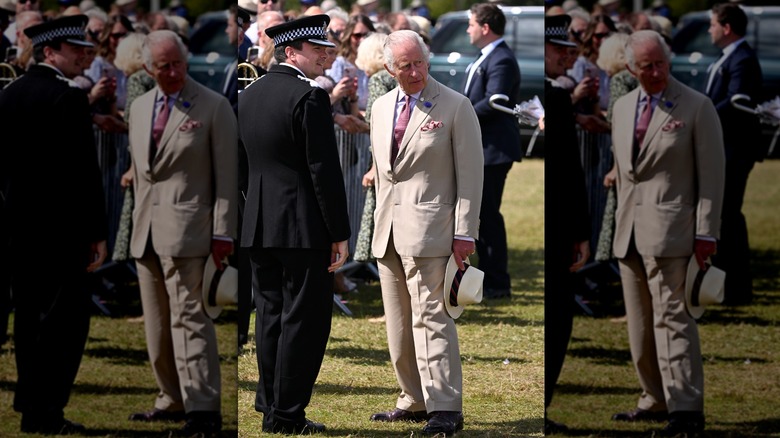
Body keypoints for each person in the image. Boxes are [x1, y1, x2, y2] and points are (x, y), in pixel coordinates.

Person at [237, 14, 351, 434]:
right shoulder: (310, 97)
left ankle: (271, 405)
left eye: (327, 48)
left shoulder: (249, 95)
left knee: (269, 317)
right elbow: (322, 170)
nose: (326, 54)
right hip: (302, 226)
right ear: (291, 52)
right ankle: (285, 415)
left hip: (260, 223)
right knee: (302, 321)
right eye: (316, 49)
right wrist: (339, 231)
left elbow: (243, 167)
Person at [368, 29, 483, 436]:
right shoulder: (381, 107)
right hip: (388, 234)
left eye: (419, 62)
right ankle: (413, 399)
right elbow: (385, 175)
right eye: (405, 65)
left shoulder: (456, 105)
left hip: (435, 232)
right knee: (398, 327)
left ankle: (445, 406)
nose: (415, 71)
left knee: (433, 320)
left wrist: (465, 233)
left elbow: (471, 176)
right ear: (388, 68)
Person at [610, 30, 725, 436]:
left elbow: (712, 178)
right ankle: (654, 398)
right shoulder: (622, 108)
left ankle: (686, 409)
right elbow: (627, 173)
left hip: (677, 234)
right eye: (646, 66)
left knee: (674, 321)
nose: (655, 72)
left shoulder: (697, 106)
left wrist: (706, 235)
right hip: (629, 236)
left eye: (660, 63)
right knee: (639, 329)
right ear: (630, 68)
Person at [126, 29, 238, 437]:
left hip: (194, 234)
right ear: (146, 67)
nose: (172, 72)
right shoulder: (138, 107)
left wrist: (223, 234)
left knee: (191, 321)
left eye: (178, 64)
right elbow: (142, 174)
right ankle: (170, 398)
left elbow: (227, 177)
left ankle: (204, 409)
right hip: (146, 234)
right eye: (163, 66)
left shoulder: (214, 106)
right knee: (156, 325)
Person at [0, 14, 108, 434]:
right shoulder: (68, 97)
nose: (85, 54)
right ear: (50, 52)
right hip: (63, 232)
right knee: (63, 326)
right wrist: (97, 232)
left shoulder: (11, 94)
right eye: (74, 48)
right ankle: (47, 412)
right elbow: (83, 173)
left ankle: (32, 408)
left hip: (21, 228)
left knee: (28, 320)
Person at [542, 14, 591, 435]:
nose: (567, 56)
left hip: (555, 225)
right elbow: (570, 174)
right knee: (555, 317)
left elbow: (571, 174)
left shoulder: (557, 98)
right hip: (551, 225)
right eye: (558, 49)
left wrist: (580, 231)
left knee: (557, 316)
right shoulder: (552, 98)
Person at [705, 2, 763, 306]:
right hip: (725, 148)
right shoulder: (732, 56)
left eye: (713, 23)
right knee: (725, 216)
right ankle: (730, 286)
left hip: (734, 149)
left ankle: (736, 288)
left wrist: (703, 115)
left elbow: (738, 99)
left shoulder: (741, 58)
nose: (709, 29)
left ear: (726, 27)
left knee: (728, 216)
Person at [464, 2, 521, 299]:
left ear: (485, 27)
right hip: (485, 148)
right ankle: (490, 279)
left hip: (494, 150)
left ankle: (497, 283)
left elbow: (497, 99)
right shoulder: (489, 55)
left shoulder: (501, 59)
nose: (467, 29)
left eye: (471, 24)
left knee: (488, 216)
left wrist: (462, 114)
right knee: (482, 216)